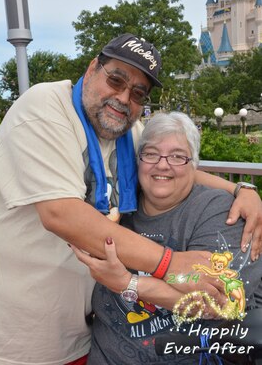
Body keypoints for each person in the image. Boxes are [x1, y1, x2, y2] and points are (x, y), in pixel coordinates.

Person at [0, 33, 261, 365]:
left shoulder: (126, 131)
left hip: (82, 333)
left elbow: (168, 165)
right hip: (22, 334)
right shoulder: (46, 107)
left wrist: (241, 190)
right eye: (116, 80)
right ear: (93, 68)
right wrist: (170, 264)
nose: (123, 97)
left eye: (138, 93)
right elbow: (61, 214)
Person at [71, 112, 262, 365]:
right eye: (151, 154)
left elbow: (216, 302)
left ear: (193, 164)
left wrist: (129, 283)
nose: (162, 164)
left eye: (177, 156)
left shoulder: (221, 213)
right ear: (138, 161)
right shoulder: (119, 204)